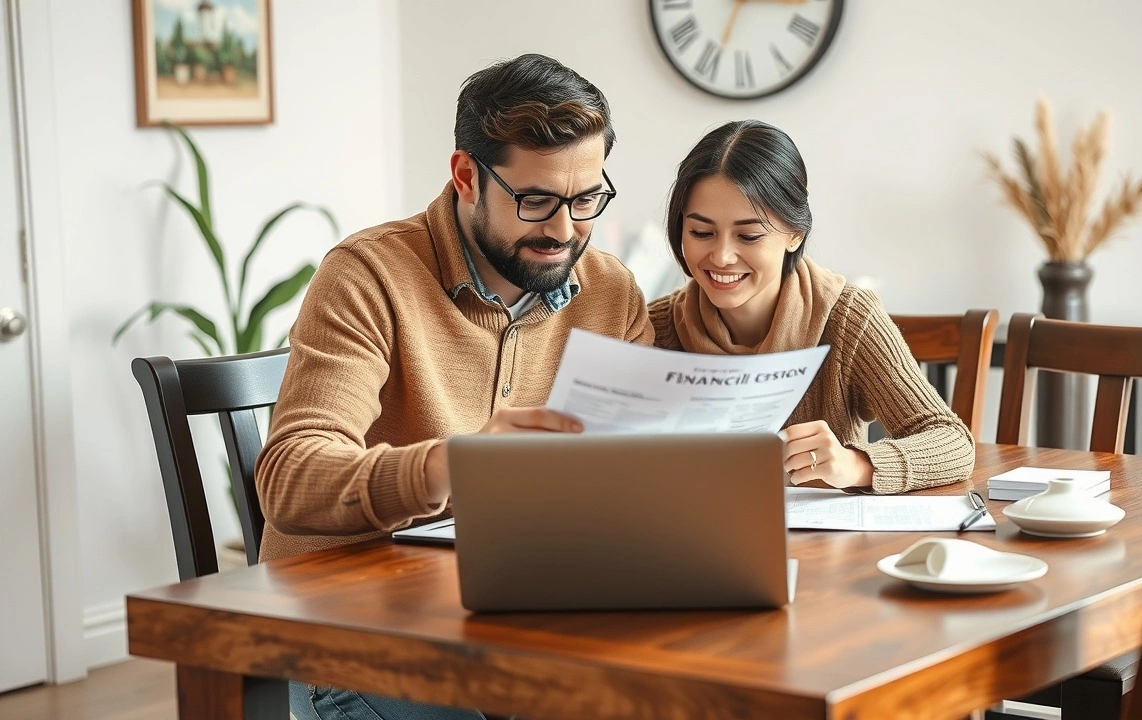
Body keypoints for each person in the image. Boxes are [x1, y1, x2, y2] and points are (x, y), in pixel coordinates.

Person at [255, 53, 653, 719]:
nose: (563, 231)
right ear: (467, 176)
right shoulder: (368, 276)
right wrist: (453, 465)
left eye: (585, 200)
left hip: (520, 622)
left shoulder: (610, 291)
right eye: (535, 201)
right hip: (351, 638)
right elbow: (291, 478)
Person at [648, 120, 974, 494]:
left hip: (823, 532)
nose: (721, 256)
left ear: (795, 234)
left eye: (749, 236)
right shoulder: (656, 327)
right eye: (701, 232)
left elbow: (952, 441)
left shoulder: (849, 318)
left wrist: (856, 465)